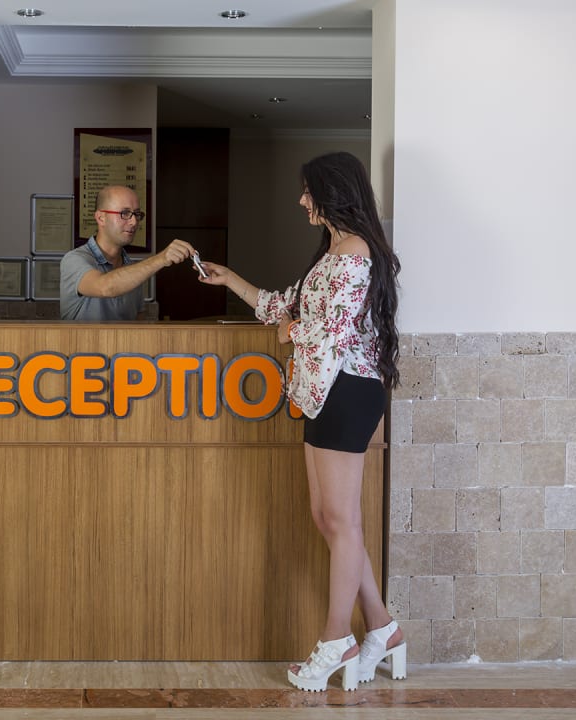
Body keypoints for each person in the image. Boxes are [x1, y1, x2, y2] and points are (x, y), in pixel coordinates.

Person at [197, 152, 406, 691]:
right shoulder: (333, 252)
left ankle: (337, 639)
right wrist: (230, 280)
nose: (301, 201)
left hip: (346, 391)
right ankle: (383, 627)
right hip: (322, 394)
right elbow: (281, 305)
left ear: (332, 192)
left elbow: (328, 333)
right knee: (328, 517)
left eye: (307, 191)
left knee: (341, 521)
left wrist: (292, 332)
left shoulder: (355, 253)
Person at [60, 185, 198, 321]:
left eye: (137, 214)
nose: (134, 222)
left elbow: (138, 322)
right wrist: (161, 258)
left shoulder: (132, 270)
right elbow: (105, 287)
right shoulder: (74, 260)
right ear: (101, 218)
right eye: (125, 213)